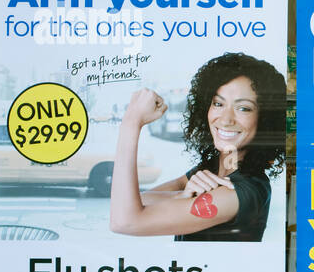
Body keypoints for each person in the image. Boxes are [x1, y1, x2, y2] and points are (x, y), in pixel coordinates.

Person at [109, 52, 286, 241]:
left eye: (243, 108)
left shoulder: (242, 191)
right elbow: (134, 202)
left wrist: (130, 123)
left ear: (265, 119)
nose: (225, 119)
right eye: (218, 103)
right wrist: (184, 197)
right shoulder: (210, 170)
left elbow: (125, 220)